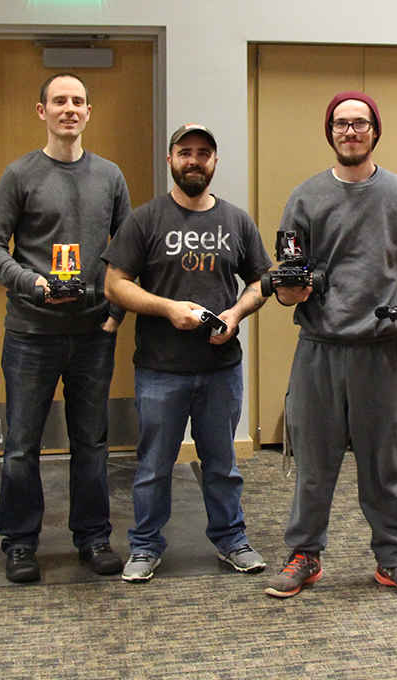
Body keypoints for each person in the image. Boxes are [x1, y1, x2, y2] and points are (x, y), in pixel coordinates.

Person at [264, 91, 397, 601]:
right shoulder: (305, 198)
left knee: (384, 465)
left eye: (360, 124)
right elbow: (289, 275)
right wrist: (289, 290)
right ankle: (304, 555)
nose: (351, 132)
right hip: (319, 350)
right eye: (341, 124)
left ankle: (394, 560)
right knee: (313, 467)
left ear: (375, 131)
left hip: (380, 350)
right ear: (330, 133)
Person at [102, 124, 273, 582]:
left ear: (215, 162)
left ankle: (231, 539)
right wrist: (167, 309)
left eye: (203, 153)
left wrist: (236, 314)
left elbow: (260, 283)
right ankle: (144, 546)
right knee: (154, 465)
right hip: (161, 369)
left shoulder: (237, 221)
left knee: (222, 464)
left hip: (221, 369)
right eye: (185, 152)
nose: (193, 160)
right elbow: (114, 284)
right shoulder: (144, 220)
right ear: (170, 160)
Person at [0, 73, 130, 583]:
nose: (70, 109)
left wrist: (115, 314)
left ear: (89, 112)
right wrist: (31, 284)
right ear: (41, 110)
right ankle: (20, 543)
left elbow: (127, 254)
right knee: (22, 445)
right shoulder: (18, 174)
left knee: (91, 442)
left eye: (79, 102)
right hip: (30, 334)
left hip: (92, 335)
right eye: (59, 101)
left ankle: (92, 537)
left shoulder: (110, 176)